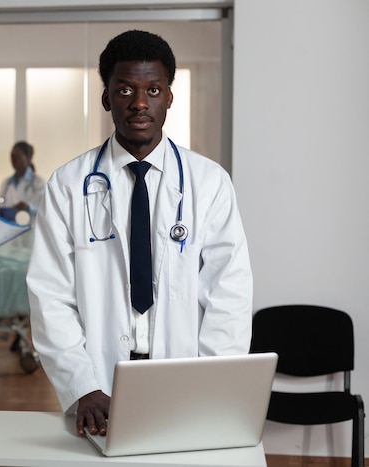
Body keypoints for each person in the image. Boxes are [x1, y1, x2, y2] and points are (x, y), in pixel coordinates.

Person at [26, 30, 253, 438]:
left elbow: (229, 293)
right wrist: (83, 387)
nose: (140, 103)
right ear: (106, 97)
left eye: (153, 89)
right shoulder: (68, 184)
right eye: (126, 89)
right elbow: (50, 296)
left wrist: (212, 381)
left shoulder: (210, 182)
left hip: (186, 376)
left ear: (169, 96)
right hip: (99, 383)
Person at [0, 141, 45, 249]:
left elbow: (44, 209)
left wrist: (28, 207)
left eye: (17, 156)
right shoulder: (6, 183)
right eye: (12, 156)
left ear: (28, 158)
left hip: (29, 238)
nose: (14, 160)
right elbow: (0, 207)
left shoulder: (38, 183)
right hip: (8, 239)